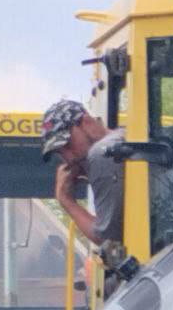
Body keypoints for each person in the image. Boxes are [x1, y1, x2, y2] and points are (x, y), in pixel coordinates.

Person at [41, 100, 129, 283]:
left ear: (86, 122)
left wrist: (66, 201)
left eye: (67, 144)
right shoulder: (123, 137)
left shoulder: (101, 154)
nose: (68, 157)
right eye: (60, 153)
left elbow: (109, 242)